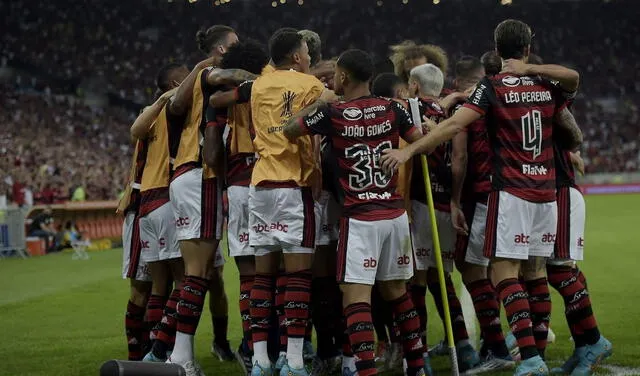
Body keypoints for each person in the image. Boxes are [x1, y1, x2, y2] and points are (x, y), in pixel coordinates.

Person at [380, 19, 584, 376]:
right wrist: (533, 68)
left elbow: (453, 127)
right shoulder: (546, 82)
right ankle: (536, 349)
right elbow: (573, 78)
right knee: (533, 271)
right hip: (547, 194)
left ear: (497, 47)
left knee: (503, 272)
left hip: (511, 191)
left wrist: (409, 152)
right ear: (527, 47)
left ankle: (529, 357)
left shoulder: (492, 87)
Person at [284, 49, 427, 376]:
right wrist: (406, 154)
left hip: (360, 216)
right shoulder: (393, 108)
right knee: (397, 295)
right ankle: (416, 367)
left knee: (355, 298)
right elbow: (421, 141)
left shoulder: (332, 112)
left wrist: (318, 102)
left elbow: (291, 130)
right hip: (393, 214)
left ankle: (365, 371)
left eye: (336, 73)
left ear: (344, 77)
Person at [226, 29, 336, 376]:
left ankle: (260, 362)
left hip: (260, 186)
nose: (306, 57)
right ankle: (293, 361)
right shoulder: (308, 85)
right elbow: (336, 99)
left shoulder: (258, 84)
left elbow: (228, 94)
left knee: (263, 278)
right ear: (296, 57)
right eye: (304, 52)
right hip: (293, 185)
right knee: (299, 279)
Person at [165, 25, 240, 374]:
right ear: (222, 51)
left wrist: (196, 68)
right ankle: (182, 358)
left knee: (199, 273)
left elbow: (177, 106)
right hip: (201, 175)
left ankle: (181, 355)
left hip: (183, 175)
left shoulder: (197, 78)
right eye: (236, 46)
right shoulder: (213, 74)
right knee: (198, 274)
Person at [404, 63, 480, 372]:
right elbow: (460, 159)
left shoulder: (411, 110)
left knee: (417, 281)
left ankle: (418, 353)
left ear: (414, 87)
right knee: (441, 277)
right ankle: (463, 345)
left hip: (421, 204)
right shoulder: (455, 112)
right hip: (447, 206)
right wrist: (455, 200)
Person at [203, 39, 270, 375]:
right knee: (283, 271)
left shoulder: (222, 101)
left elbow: (212, 158)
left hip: (242, 186)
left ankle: (253, 346)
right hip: (277, 181)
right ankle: (288, 347)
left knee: (248, 274)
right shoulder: (274, 86)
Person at [444, 56, 515, 374]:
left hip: (481, 195)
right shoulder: (502, 98)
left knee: (472, 271)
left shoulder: (470, 104)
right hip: (513, 193)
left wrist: (456, 200)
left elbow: (459, 158)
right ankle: (494, 342)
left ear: (458, 82)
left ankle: (498, 346)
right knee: (494, 271)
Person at [129, 63, 190, 364]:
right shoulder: (176, 107)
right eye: (188, 72)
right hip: (167, 197)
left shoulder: (152, 112)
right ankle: (160, 351)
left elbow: (136, 131)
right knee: (185, 280)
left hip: (146, 203)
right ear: (178, 81)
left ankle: (151, 351)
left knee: (160, 285)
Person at [117, 142, 152, 361]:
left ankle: (153, 351)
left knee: (162, 288)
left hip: (165, 206)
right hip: (142, 210)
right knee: (141, 288)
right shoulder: (150, 123)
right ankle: (135, 357)